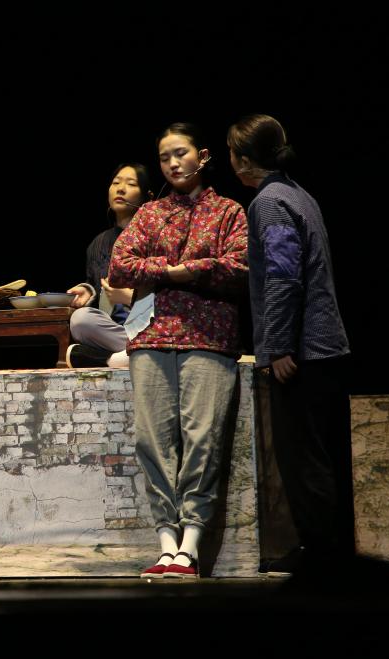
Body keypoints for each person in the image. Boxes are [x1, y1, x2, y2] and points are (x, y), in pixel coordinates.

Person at [108, 122, 248, 579]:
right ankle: (166, 542)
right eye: (165, 157)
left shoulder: (228, 211)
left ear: (202, 156)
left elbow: (238, 267)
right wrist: (174, 271)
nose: (172, 163)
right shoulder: (151, 214)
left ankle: (190, 544)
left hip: (208, 337)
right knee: (152, 441)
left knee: (202, 440)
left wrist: (188, 270)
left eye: (180, 153)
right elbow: (119, 265)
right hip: (152, 337)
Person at [227, 114, 353, 576]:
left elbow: (283, 277)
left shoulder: (270, 202)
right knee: (320, 454)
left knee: (303, 456)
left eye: (231, 152)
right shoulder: (298, 193)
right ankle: (328, 551)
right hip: (324, 348)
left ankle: (322, 555)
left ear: (243, 161)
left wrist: (278, 347)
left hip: (303, 352)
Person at [65, 162, 152, 369]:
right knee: (80, 320)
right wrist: (89, 292)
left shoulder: (157, 236)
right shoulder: (99, 243)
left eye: (131, 184)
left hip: (151, 325)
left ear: (147, 196)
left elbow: (171, 296)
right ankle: (137, 353)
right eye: (116, 182)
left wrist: (129, 298)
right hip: (116, 331)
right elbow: (99, 289)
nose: (120, 189)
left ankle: (113, 359)